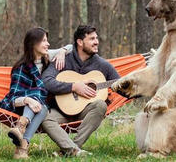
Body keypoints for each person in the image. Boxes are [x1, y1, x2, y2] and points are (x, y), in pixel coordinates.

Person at [41, 25, 120, 157]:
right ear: (80, 42)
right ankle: (73, 151)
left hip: (85, 112)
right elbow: (45, 81)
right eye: (92, 39)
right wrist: (73, 87)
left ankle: (71, 149)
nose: (96, 42)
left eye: (96, 38)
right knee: (43, 115)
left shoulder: (102, 64)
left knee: (101, 105)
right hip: (61, 111)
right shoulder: (63, 60)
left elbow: (120, 82)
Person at [0, 27, 72, 159]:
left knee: (42, 107)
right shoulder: (20, 68)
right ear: (33, 43)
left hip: (39, 108)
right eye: (44, 41)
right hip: (19, 108)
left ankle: (21, 136)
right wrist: (27, 100)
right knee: (37, 97)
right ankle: (22, 137)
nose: (47, 44)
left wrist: (62, 52)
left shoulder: (47, 56)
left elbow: (72, 47)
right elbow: (13, 98)